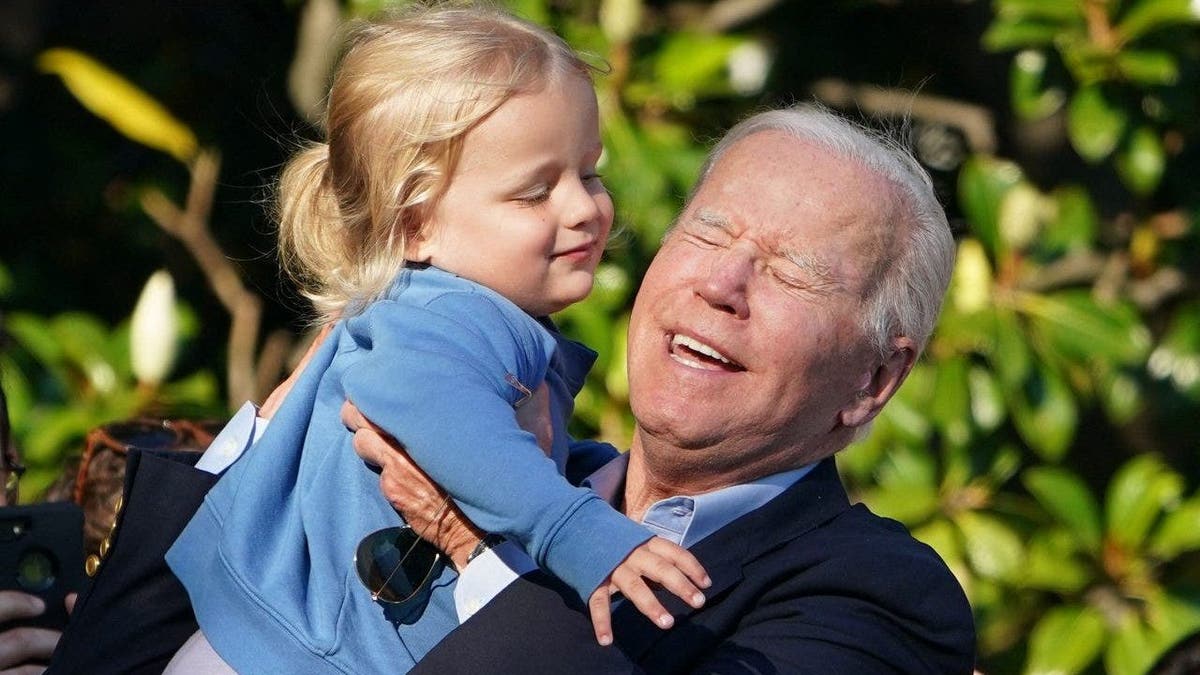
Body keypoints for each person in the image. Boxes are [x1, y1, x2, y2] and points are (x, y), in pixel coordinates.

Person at [163, 5, 706, 674]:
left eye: (589, 173)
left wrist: (588, 471)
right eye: (535, 191)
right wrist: (577, 527)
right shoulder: (444, 316)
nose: (584, 207)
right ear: (415, 225)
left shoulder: (469, 307)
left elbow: (490, 449)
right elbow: (440, 416)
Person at [345, 105, 978, 673]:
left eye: (791, 273)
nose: (721, 285)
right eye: (708, 232)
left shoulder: (882, 598)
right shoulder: (517, 458)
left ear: (873, 379)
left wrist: (483, 551)